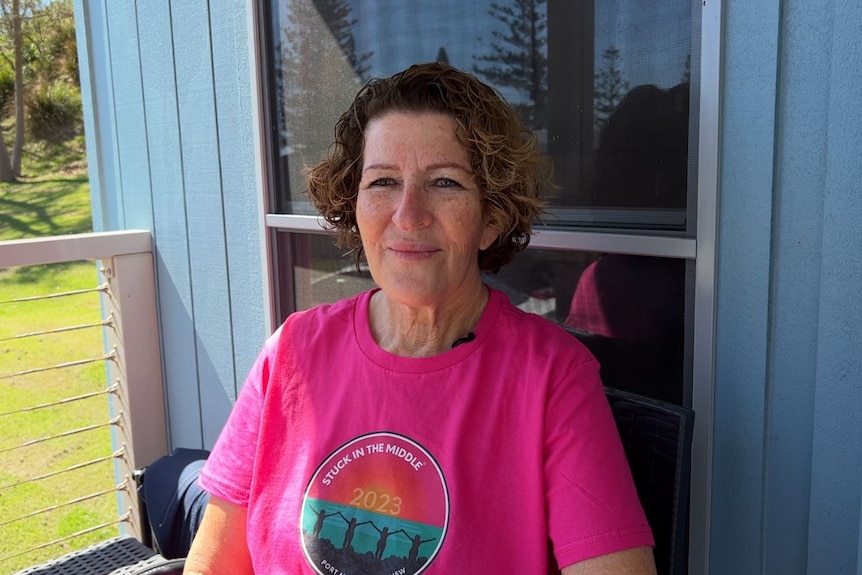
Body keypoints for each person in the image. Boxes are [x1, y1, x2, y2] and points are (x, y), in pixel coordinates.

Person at [184, 62, 656, 575]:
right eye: (383, 181)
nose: (408, 214)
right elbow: (214, 563)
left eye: (445, 182)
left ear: (491, 219)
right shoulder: (292, 350)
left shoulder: (552, 377)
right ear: (355, 205)